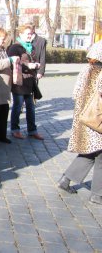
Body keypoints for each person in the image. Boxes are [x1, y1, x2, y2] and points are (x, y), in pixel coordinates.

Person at [57, 40, 102, 204]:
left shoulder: (86, 70)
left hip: (84, 117)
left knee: (91, 151)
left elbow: (75, 93)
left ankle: (66, 179)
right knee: (99, 154)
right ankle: (97, 194)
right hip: (97, 119)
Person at [7, 24, 44, 140]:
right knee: (18, 106)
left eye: (31, 33)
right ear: (21, 34)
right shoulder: (15, 47)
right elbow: (12, 64)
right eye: (28, 33)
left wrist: (37, 65)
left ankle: (32, 130)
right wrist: (29, 65)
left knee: (31, 107)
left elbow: (34, 59)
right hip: (19, 82)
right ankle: (15, 129)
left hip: (29, 82)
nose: (30, 35)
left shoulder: (30, 47)